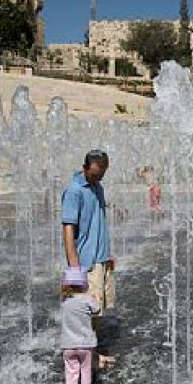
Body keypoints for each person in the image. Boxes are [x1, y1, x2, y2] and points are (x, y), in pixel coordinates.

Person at [61, 149, 116, 368]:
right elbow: (68, 229)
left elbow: (97, 222)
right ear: (85, 168)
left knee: (98, 310)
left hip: (100, 258)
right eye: (94, 175)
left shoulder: (97, 187)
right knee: (86, 312)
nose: (97, 178)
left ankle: (91, 354)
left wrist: (107, 253)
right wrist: (75, 266)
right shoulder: (74, 191)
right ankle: (89, 360)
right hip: (86, 261)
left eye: (101, 174)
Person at [60, 267, 99, 384]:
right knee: (85, 368)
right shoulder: (86, 299)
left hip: (68, 345)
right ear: (84, 284)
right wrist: (96, 299)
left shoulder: (64, 302)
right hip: (85, 344)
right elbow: (96, 310)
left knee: (71, 370)